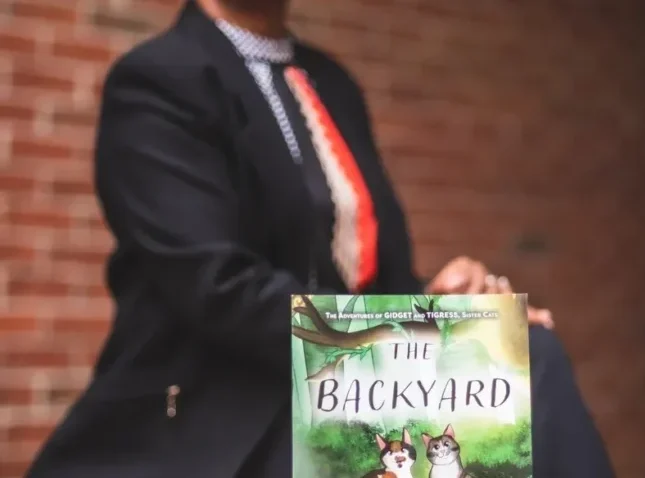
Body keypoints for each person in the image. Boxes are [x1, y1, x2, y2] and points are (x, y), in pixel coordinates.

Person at [25, 0, 614, 477]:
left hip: (340, 394)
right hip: (220, 407)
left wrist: (441, 299)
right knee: (522, 368)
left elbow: (368, 277)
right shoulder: (159, 79)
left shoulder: (332, 83)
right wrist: (425, 327)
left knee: (524, 362)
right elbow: (218, 290)